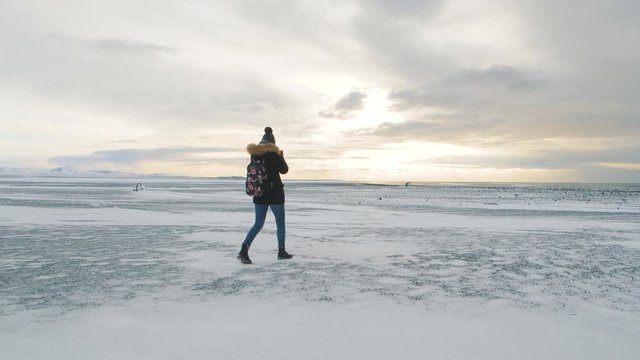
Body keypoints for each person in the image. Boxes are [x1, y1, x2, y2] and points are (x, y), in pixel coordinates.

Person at [238, 127, 292, 264]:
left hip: (259, 193)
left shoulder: (255, 155)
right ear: (273, 143)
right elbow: (284, 170)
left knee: (258, 223)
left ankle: (244, 249)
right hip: (275, 194)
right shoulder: (275, 155)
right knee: (280, 224)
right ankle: (281, 251)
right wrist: (281, 156)